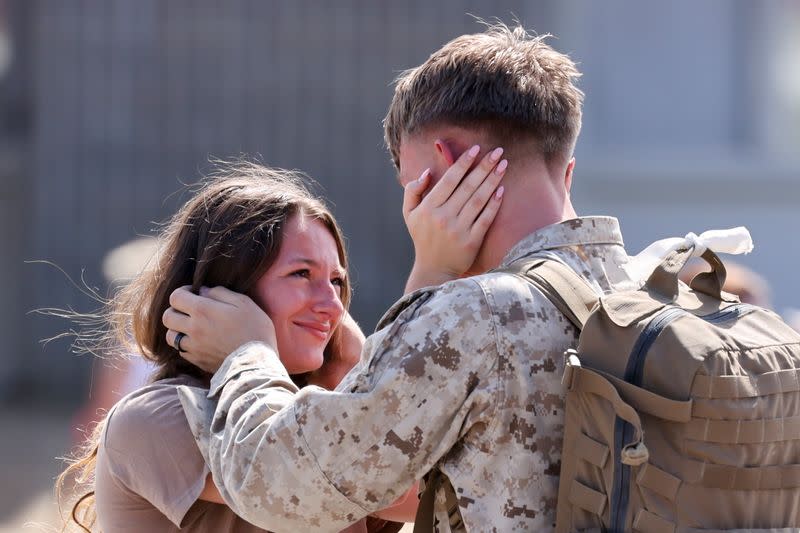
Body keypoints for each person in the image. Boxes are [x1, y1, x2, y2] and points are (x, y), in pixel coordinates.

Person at [165, 24, 631, 532]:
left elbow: (285, 488)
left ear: (445, 166)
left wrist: (244, 356)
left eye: (412, 188)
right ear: (566, 172)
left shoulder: (476, 315)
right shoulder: (646, 292)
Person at [56, 157, 504, 532]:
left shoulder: (320, 418)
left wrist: (353, 370)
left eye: (336, 281)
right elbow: (317, 485)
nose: (331, 304)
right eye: (301, 275)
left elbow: (439, 493)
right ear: (225, 291)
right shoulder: (156, 418)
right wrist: (429, 278)